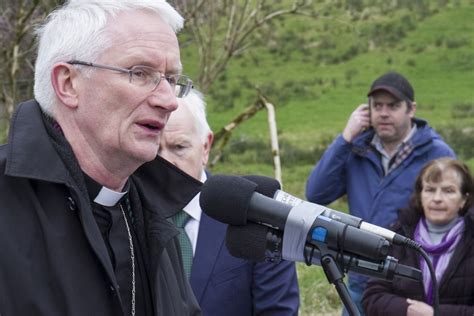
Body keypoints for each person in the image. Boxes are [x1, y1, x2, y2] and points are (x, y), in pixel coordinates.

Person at [0, 1, 202, 315]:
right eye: (139, 73)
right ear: (68, 83)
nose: (168, 101)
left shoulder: (153, 212)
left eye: (172, 80)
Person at [305, 71, 455, 315]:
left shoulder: (435, 153)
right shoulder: (356, 149)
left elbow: (455, 217)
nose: (384, 113)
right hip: (359, 279)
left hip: (410, 286)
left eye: (393, 106)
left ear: (411, 109)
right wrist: (345, 138)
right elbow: (316, 193)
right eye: (377, 106)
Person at [158, 89, 300, 316]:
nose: (166, 163)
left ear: (205, 147)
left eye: (179, 147)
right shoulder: (123, 216)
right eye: (155, 151)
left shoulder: (257, 218)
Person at [363, 157, 474, 315]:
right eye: (430, 190)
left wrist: (435, 313)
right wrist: (406, 310)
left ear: (464, 199)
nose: (437, 199)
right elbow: (372, 296)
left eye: (448, 191)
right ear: (420, 195)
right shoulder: (399, 235)